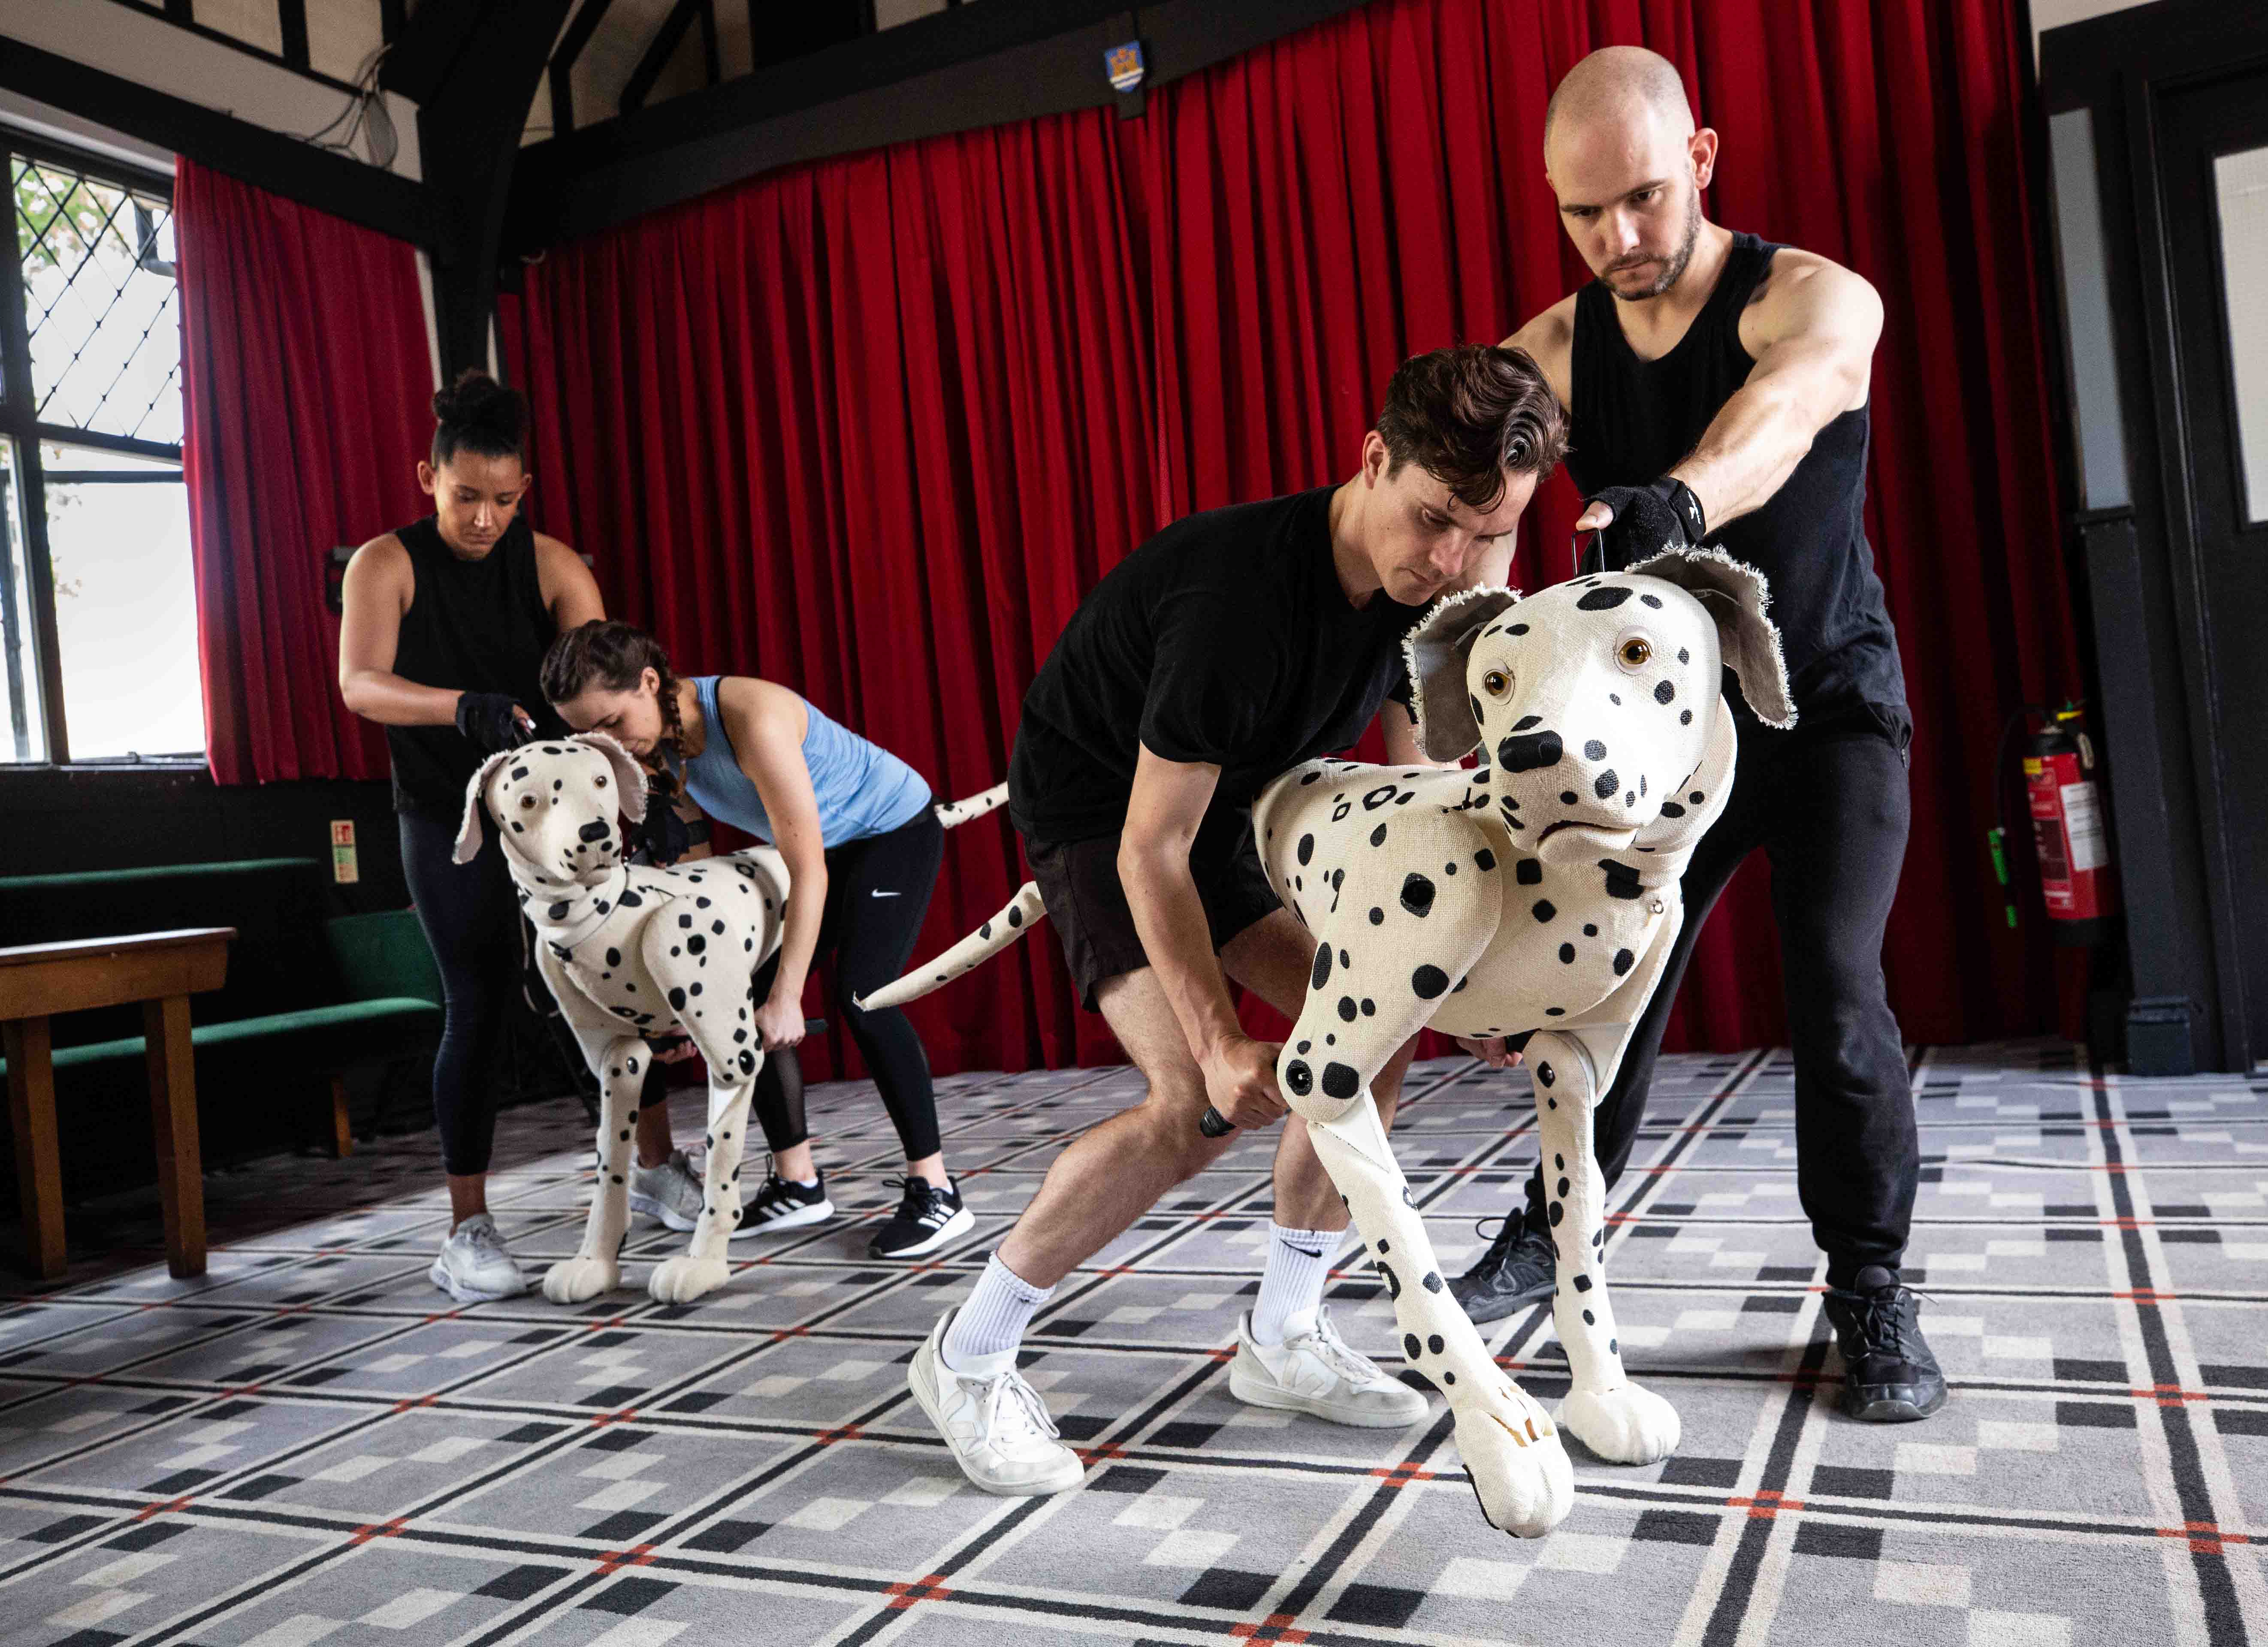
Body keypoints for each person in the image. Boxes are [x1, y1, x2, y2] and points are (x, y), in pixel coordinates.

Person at [906, 347, 1565, 1495]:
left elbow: (1426, 797)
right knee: (1191, 1109)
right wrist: (1216, 1044)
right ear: (1373, 459)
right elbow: (1149, 850)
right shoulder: (1237, 604)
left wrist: (1458, 982)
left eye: (1490, 532)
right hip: (1106, 817)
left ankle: (1284, 1336)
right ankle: (966, 1357)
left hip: (1227, 812)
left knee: (1374, 1030)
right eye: (1432, 521)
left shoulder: (1435, 593)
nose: (1453, 563)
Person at [1450, 46, 1942, 1422]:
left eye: (1646, 200)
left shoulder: (1813, 297)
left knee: (1834, 984)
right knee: (1602, 990)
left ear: (1705, 160)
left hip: (1827, 707)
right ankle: (1552, 1225)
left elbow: (1784, 409)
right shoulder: (1553, 354)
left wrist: (1680, 500)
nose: (1618, 237)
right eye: (1583, 213)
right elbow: (1475, 509)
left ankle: (1871, 1285)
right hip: (1665, 752)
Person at [338, 372, 706, 1305]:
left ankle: (657, 1170)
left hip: (561, 824)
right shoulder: (385, 564)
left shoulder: (551, 565)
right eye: (466, 496)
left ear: (524, 490)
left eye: (504, 500)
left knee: (618, 986)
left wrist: (651, 801)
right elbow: (360, 684)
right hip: (448, 818)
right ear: (428, 477)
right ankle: (466, 1232)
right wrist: (459, 707)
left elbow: (607, 684)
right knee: (478, 1002)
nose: (484, 519)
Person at [544, 620, 973, 1259]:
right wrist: (684, 1004)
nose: (608, 744)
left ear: (650, 682)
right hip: (821, 852)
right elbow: (690, 867)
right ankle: (798, 1183)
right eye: (590, 735)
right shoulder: (651, 743)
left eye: (611, 723)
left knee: (865, 996)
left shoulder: (752, 717)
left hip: (890, 833)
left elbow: (809, 869)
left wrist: (790, 996)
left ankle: (937, 1191)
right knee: (735, 995)